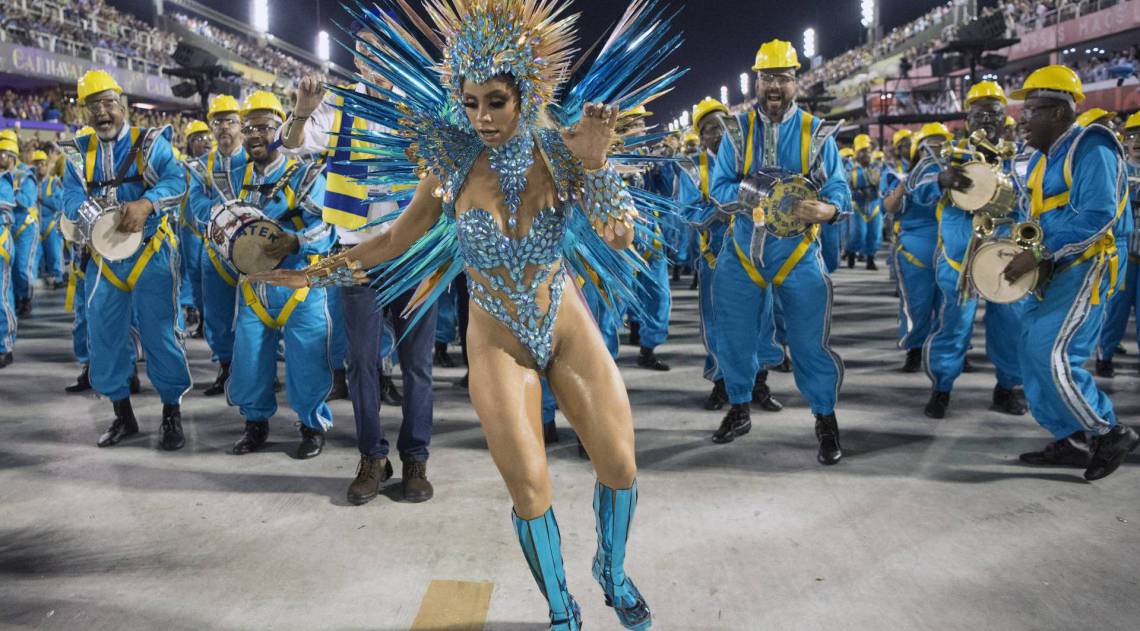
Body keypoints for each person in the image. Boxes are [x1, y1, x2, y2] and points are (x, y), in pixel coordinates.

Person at [250, 3, 683, 628]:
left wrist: (598, 171)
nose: (481, 117)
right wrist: (315, 270)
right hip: (496, 341)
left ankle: (611, 571)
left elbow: (618, 233)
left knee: (619, 463)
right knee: (530, 487)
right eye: (472, 100)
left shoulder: (566, 152)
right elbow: (393, 241)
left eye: (497, 102)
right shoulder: (450, 167)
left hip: (563, 325)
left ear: (525, 94)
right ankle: (562, 606)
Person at [278, 20, 438, 500]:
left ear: (403, 49)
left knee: (417, 365)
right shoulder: (340, 103)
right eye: (366, 51)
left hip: (414, 251)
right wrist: (302, 112)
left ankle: (416, 460)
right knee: (361, 362)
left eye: (385, 47)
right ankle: (373, 457)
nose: (374, 58)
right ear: (358, 59)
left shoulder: (425, 105)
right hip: (357, 252)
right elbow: (292, 143)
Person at [708, 40, 850, 463]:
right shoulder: (735, 132)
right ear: (756, 81)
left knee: (809, 344)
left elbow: (839, 188)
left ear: (796, 82)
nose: (775, 86)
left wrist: (828, 208)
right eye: (767, 78)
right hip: (742, 251)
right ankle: (738, 406)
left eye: (783, 78)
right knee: (733, 338)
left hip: (798, 252)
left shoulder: (816, 133)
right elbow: (718, 190)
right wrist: (757, 197)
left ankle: (825, 418)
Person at [1005, 65, 1138, 480]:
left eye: (1030, 110)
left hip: (1089, 264)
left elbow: (1098, 214)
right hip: (1057, 266)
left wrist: (1040, 251)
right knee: (1029, 349)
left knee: (1052, 352)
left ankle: (1107, 431)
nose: (1021, 119)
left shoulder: (1093, 146)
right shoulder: (1044, 159)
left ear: (1059, 113)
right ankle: (1071, 436)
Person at [61, 70, 191, 450]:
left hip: (151, 252)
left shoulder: (149, 143)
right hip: (104, 258)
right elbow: (70, 199)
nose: (102, 112)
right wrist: (96, 216)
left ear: (123, 105)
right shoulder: (76, 152)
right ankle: (123, 416)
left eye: (108, 103)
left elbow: (176, 180)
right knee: (103, 336)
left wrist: (147, 203)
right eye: (93, 105)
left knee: (161, 334)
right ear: (84, 111)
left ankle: (171, 413)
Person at [225, 91, 336, 460]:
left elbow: (330, 229)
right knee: (249, 357)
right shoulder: (235, 176)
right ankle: (255, 424)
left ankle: (311, 425)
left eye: (265, 127)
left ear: (282, 129)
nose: (255, 135)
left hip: (301, 285)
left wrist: (296, 241)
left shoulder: (306, 173)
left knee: (307, 359)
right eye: (249, 127)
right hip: (254, 290)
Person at [919, 81, 1027, 419]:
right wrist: (941, 180)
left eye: (993, 113)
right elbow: (915, 189)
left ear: (1005, 117)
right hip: (958, 260)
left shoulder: (1021, 156)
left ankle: (1006, 388)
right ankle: (941, 388)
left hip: (1004, 258)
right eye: (978, 113)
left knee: (1010, 325)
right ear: (967, 118)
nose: (986, 120)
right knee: (953, 325)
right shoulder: (948, 155)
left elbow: (1032, 200)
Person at [677, 97, 782, 413]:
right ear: (701, 136)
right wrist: (723, 210)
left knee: (762, 320)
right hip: (717, 259)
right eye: (710, 129)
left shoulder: (753, 161)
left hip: (755, 254)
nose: (718, 135)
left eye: (723, 127)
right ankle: (722, 383)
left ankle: (758, 384)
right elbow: (688, 211)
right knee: (719, 323)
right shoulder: (693, 169)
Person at [190, 95, 246, 396]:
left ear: (241, 125)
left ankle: (258, 370)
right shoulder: (201, 166)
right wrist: (229, 209)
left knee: (255, 312)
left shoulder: (253, 159)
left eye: (230, 121)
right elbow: (197, 207)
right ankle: (225, 367)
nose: (224, 127)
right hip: (214, 249)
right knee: (217, 313)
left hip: (253, 250)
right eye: (218, 121)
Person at [883, 123, 949, 373]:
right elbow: (890, 206)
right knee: (917, 305)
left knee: (950, 307)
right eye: (930, 145)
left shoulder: (957, 174)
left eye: (942, 144)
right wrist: (903, 187)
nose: (937, 150)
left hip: (950, 251)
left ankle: (950, 351)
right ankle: (914, 348)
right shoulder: (902, 177)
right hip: (915, 252)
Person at [1096, 110, 1140, 376]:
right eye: (1133, 135)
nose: (1137, 143)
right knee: (1115, 310)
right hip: (1124, 252)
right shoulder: (1117, 168)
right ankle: (1105, 355)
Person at [177, 120, 211, 337]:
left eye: (207, 138)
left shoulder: (216, 164)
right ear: (189, 144)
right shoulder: (183, 167)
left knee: (211, 276)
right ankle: (202, 317)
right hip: (189, 229)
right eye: (198, 139)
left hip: (211, 228)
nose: (204, 143)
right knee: (195, 275)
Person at [0, 133, 37, 319]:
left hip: (25, 227)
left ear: (12, 156)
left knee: (23, 267)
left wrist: (13, 194)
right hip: (8, 227)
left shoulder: (25, 176)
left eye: (3, 153)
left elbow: (29, 200)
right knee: (11, 270)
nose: (0, 157)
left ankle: (27, 298)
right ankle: (15, 299)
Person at [847, 134, 882, 270]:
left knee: (874, 234)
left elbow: (884, 185)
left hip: (874, 204)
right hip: (858, 205)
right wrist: (857, 193)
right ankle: (851, 252)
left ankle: (870, 260)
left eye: (867, 151)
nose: (865, 154)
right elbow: (845, 188)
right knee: (858, 233)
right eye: (862, 151)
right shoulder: (850, 169)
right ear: (856, 153)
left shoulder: (877, 167)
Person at [33, 150, 65, 289]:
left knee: (54, 254)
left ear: (47, 165)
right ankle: (33, 282)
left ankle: (57, 279)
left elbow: (60, 204)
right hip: (35, 225)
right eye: (37, 164)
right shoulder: (30, 182)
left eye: (42, 164)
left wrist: (43, 198)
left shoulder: (53, 183)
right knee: (35, 257)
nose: (40, 167)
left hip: (51, 225)